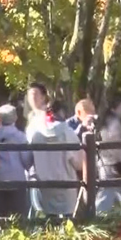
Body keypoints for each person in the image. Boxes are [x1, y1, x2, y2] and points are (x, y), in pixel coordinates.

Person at [25, 83, 81, 218]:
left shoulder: (35, 132)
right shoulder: (67, 132)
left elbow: (28, 157)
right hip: (66, 183)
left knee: (46, 222)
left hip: (42, 182)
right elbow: (78, 161)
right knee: (68, 220)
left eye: (36, 94)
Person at [0, 104, 32, 219]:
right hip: (17, 179)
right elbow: (27, 161)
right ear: (15, 118)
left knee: (0, 217)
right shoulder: (20, 137)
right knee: (19, 217)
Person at [95, 98, 121, 215]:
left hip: (108, 163)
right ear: (114, 108)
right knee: (107, 193)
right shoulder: (114, 123)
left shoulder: (107, 121)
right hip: (113, 164)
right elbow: (115, 145)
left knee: (120, 193)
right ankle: (97, 216)